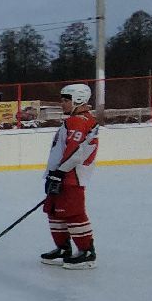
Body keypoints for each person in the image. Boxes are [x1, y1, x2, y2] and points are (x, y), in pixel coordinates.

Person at [41, 84, 100, 268]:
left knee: (73, 213)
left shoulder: (79, 121)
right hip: (60, 174)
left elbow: (76, 151)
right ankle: (63, 248)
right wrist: (53, 174)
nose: (62, 103)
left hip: (71, 176)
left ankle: (87, 252)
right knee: (54, 210)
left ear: (78, 100)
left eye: (66, 100)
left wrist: (60, 172)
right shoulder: (75, 120)